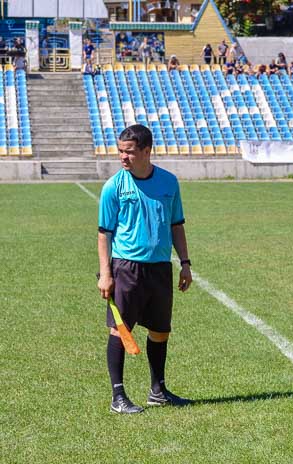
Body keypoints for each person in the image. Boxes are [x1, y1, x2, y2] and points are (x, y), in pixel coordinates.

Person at [97, 124, 193, 414]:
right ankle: (118, 397)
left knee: (160, 330)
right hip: (127, 268)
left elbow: (177, 225)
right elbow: (104, 233)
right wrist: (106, 273)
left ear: (146, 151)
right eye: (120, 152)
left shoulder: (169, 182)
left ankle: (158, 390)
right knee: (120, 331)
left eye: (128, 152)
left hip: (160, 268)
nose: (122, 157)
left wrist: (185, 263)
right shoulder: (114, 186)